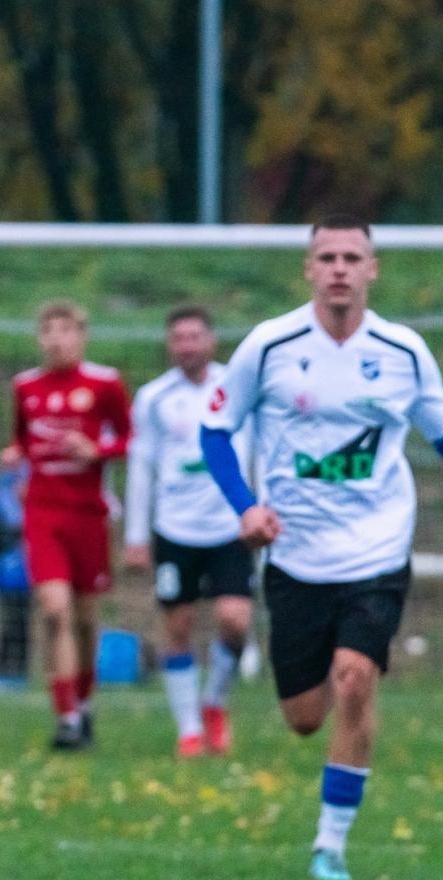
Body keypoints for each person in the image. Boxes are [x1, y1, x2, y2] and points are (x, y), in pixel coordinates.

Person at [200, 214, 443, 880]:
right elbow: (217, 430)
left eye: (351, 256)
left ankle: (330, 844)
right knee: (304, 716)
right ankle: (328, 728)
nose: (338, 267)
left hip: (378, 548)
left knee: (356, 677)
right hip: (296, 554)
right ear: (308, 268)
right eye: (326, 255)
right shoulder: (270, 346)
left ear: (372, 268)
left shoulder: (403, 350)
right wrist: (246, 507)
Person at [123, 306, 254, 758]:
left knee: (235, 622)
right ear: (169, 345)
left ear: (211, 340)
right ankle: (189, 728)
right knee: (177, 626)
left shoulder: (236, 387)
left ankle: (215, 701)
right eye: (178, 338)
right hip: (175, 530)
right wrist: (136, 537)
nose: (187, 345)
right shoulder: (154, 398)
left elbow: (259, 448)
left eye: (195, 336)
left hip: (230, 526)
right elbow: (141, 468)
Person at [6, 302, 131, 751]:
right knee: (55, 610)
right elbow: (21, 437)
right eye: (49, 331)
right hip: (43, 513)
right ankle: (67, 719)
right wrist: (16, 454)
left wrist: (97, 449)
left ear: (81, 337)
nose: (57, 339)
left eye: (66, 331)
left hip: (89, 514)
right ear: (39, 337)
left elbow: (131, 438)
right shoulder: (26, 387)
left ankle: (84, 703)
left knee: (84, 619)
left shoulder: (104, 383)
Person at [0, 456, 32, 692]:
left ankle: (20, 671)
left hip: (27, 565)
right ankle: (5, 671)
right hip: (8, 565)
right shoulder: (3, 488)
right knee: (9, 619)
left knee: (22, 620)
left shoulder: (28, 475)